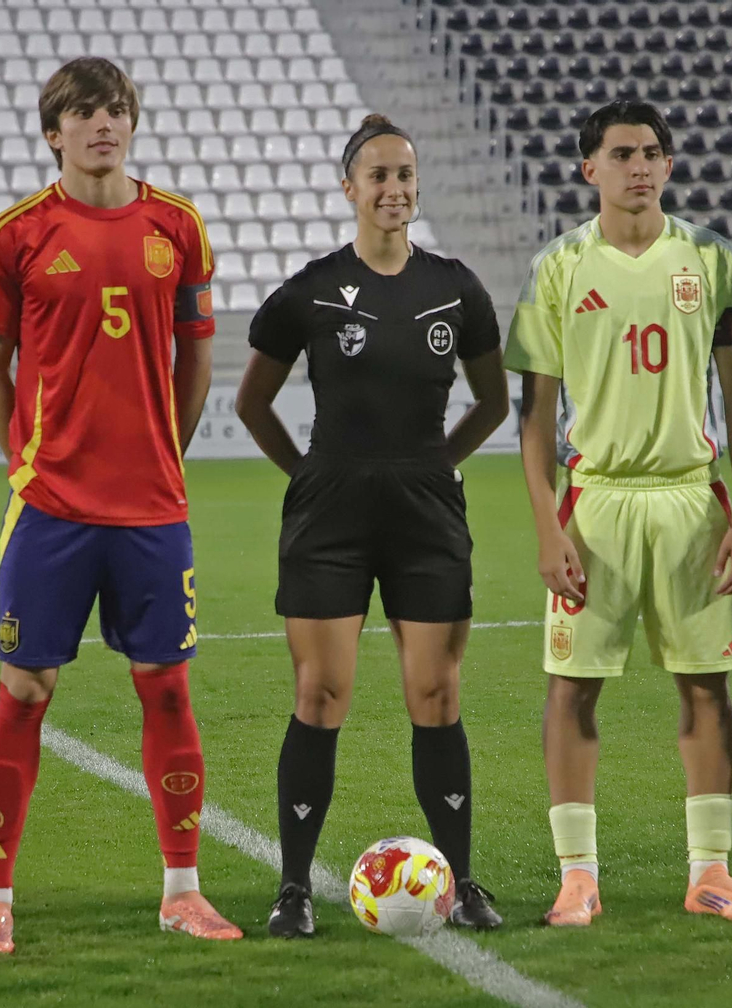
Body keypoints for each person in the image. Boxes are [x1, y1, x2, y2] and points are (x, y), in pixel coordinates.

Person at [0, 57, 240, 954]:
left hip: (153, 508)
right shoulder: (14, 236)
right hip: (50, 507)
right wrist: (27, 459)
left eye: (115, 109)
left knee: (166, 689)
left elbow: (196, 358)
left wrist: (166, 449)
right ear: (54, 132)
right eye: (83, 113)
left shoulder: (180, 227)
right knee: (24, 691)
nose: (102, 125)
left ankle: (184, 892)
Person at [235, 114, 510, 938]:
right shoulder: (311, 288)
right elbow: (252, 401)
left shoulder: (456, 287)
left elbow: (494, 402)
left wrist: (436, 465)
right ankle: (293, 888)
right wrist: (311, 478)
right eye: (379, 176)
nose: (395, 189)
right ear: (349, 188)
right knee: (321, 693)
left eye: (405, 175)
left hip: (427, 512)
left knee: (435, 691)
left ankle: (459, 883)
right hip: (331, 515)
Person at [506, 101, 732, 926]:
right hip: (598, 502)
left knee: (706, 687)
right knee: (571, 690)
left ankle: (712, 874)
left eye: (654, 152)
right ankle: (577, 877)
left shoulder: (711, 258)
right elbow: (536, 417)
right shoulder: (558, 268)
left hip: (692, 500)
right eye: (623, 153)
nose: (642, 166)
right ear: (590, 168)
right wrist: (549, 526)